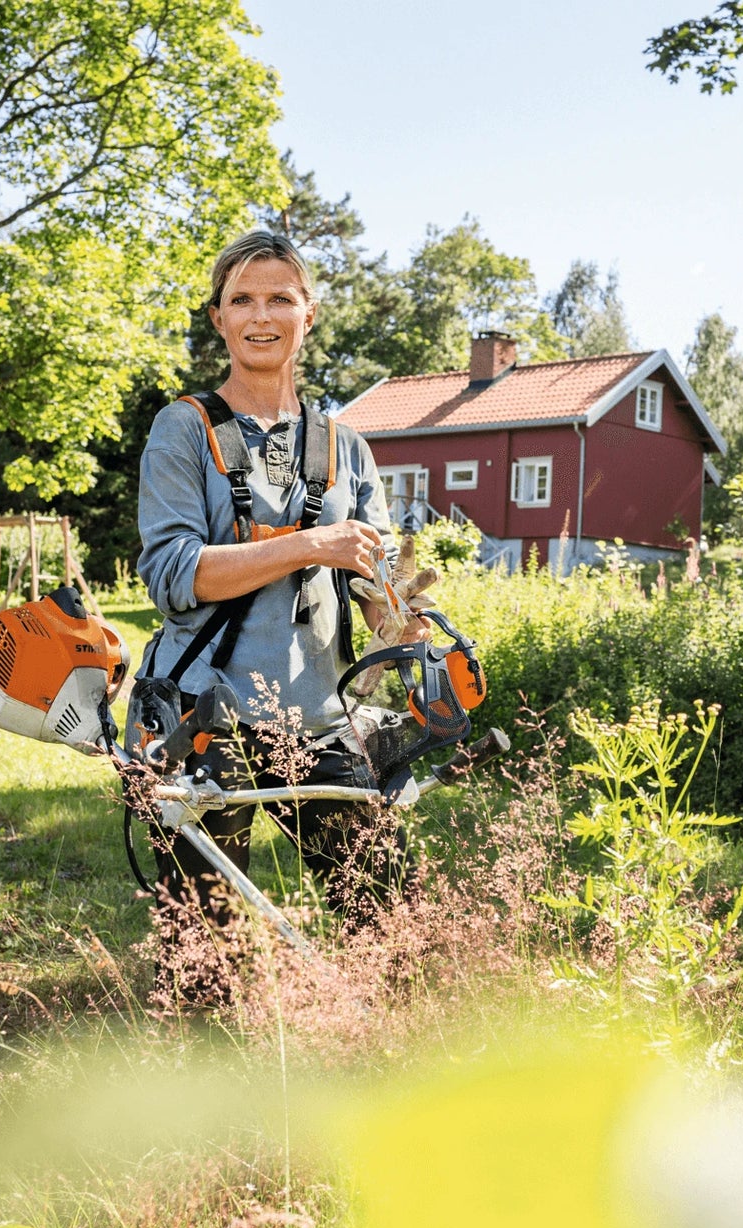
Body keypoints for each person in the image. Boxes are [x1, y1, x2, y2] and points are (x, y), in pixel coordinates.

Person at [136, 230, 432, 993]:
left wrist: (397, 622)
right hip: (201, 716)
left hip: (319, 718)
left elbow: (373, 582)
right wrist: (309, 543)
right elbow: (173, 575)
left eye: (280, 297)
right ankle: (211, 1098)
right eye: (242, 299)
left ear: (309, 314)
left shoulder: (346, 445)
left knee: (389, 920)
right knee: (204, 953)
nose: (261, 315)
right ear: (218, 319)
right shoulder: (182, 429)